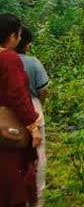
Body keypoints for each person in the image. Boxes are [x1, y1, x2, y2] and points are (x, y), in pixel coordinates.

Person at [0, 13, 41, 207]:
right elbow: (18, 95)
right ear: (12, 36)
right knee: (11, 182)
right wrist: (33, 125)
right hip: (7, 129)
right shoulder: (8, 59)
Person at [16, 27, 49, 207]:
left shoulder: (4, 60)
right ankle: (36, 199)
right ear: (27, 44)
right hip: (33, 108)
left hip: (6, 114)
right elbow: (43, 88)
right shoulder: (33, 62)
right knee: (38, 156)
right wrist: (39, 104)